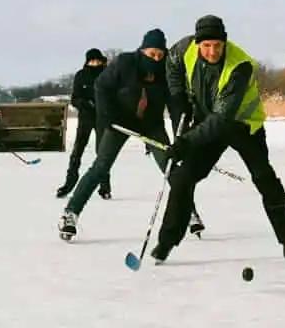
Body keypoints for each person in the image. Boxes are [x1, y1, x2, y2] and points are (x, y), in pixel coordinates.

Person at [150, 15, 285, 264]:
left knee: (263, 177)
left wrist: (186, 142)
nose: (212, 52)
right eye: (207, 45)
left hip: (243, 124)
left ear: (225, 43)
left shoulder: (239, 66)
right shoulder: (184, 48)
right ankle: (166, 242)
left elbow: (221, 120)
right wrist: (179, 99)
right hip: (207, 120)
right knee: (182, 177)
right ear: (197, 43)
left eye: (218, 46)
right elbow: (172, 66)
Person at [58, 29, 205, 241]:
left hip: (151, 124)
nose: (156, 58)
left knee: (170, 166)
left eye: (160, 55)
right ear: (142, 50)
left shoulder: (167, 70)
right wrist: (107, 115)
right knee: (101, 166)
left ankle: (188, 212)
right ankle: (70, 213)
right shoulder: (125, 63)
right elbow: (102, 86)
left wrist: (180, 139)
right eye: (152, 54)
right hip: (120, 121)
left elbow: (175, 105)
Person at [56, 48, 111, 199]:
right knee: (77, 151)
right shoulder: (81, 75)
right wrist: (85, 104)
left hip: (102, 118)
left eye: (97, 61)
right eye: (92, 61)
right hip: (85, 118)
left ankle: (105, 187)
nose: (95, 63)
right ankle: (69, 183)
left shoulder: (107, 74)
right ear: (87, 61)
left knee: (103, 153)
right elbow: (75, 98)